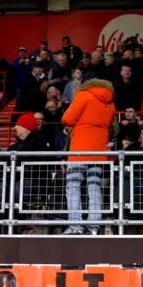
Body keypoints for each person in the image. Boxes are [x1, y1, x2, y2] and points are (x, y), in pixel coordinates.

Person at [61, 78, 115, 235]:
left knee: (73, 186)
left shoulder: (83, 95)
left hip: (80, 149)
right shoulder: (110, 101)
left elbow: (67, 119)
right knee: (94, 187)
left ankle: (75, 226)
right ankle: (93, 228)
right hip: (99, 150)